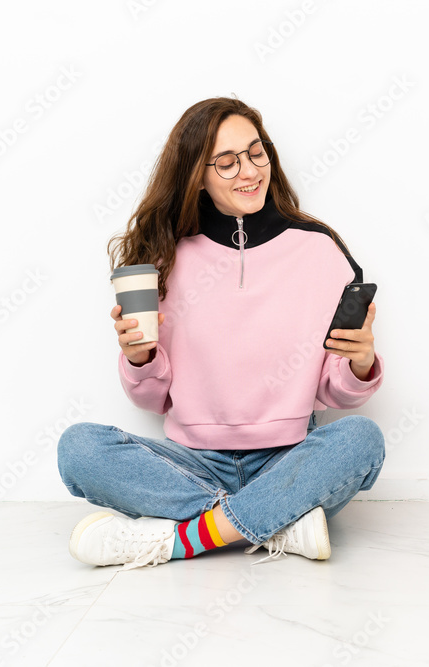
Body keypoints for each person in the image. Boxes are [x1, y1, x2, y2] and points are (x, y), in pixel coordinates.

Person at [57, 96, 386, 571]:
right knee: (79, 448)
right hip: (190, 464)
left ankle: (178, 541)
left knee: (361, 440)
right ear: (197, 174)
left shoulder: (321, 250)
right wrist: (139, 359)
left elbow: (338, 394)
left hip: (290, 460)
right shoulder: (163, 257)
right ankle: (277, 522)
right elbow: (153, 400)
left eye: (256, 153)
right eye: (227, 162)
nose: (249, 171)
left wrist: (359, 364)